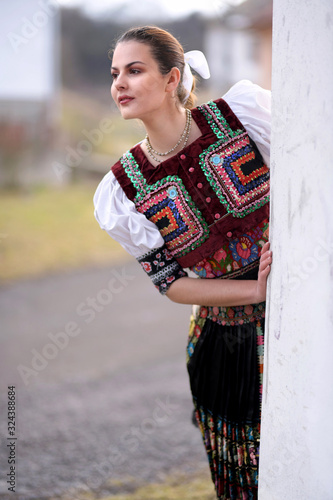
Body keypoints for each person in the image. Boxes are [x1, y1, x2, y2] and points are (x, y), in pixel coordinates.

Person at [93, 25, 272, 500]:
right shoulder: (122, 191)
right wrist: (255, 291)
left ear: (173, 79)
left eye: (135, 70)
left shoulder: (243, 116)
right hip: (223, 348)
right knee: (247, 478)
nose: (120, 84)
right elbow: (171, 284)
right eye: (115, 74)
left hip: (299, 318)